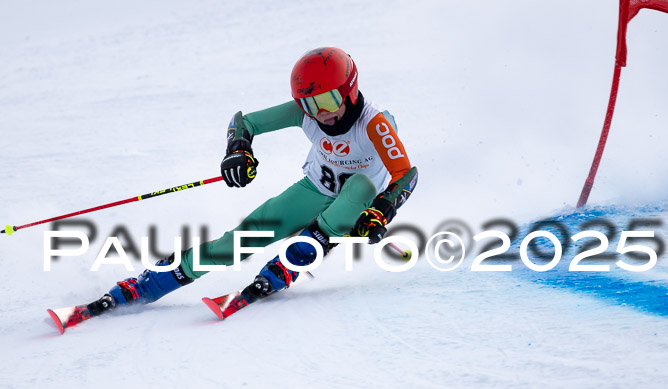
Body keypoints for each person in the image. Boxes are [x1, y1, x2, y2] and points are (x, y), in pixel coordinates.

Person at [58, 46, 418, 329]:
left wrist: (382, 209)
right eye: (309, 103)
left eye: (327, 100)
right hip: (314, 190)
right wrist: (238, 150)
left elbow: (406, 174)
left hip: (355, 204)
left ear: (349, 89)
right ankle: (150, 283)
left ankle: (295, 259)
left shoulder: (375, 124)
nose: (319, 112)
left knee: (357, 187)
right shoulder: (306, 112)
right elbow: (243, 122)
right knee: (240, 240)